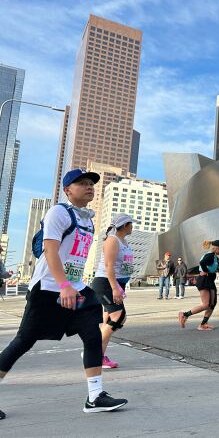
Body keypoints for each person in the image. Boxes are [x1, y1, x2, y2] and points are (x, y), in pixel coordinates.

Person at [0, 169, 127, 420]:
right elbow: (50, 250)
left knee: (93, 335)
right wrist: (63, 285)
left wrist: (72, 285)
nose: (89, 186)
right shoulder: (59, 212)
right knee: (23, 342)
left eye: (91, 183)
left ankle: (95, 397)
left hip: (77, 289)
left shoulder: (88, 220)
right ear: (68, 190)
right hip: (48, 290)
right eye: (82, 183)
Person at [91, 213, 137, 370]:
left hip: (116, 284)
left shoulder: (124, 241)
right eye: (131, 224)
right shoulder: (112, 240)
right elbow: (108, 267)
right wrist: (114, 288)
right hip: (105, 283)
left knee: (108, 320)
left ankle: (99, 355)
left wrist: (120, 287)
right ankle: (95, 354)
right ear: (124, 225)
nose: (133, 227)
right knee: (119, 317)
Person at [178, 240, 219, 331]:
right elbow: (202, 263)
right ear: (215, 248)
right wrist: (206, 271)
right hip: (205, 280)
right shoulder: (210, 255)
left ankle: (203, 324)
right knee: (206, 304)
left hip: (209, 280)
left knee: (212, 304)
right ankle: (184, 315)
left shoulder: (214, 256)